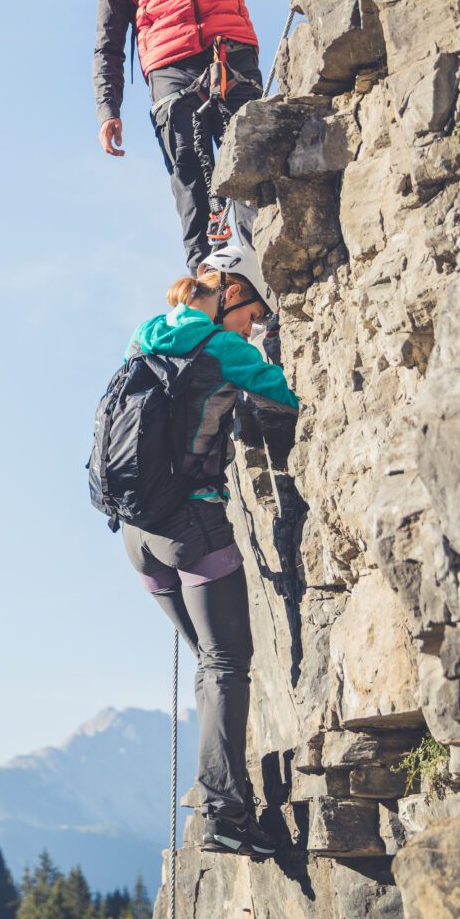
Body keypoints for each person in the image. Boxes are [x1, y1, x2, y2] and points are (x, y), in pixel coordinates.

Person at [120, 248, 299, 858]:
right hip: (191, 521)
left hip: (137, 537)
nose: (255, 325)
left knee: (210, 664)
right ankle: (225, 808)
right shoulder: (223, 348)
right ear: (228, 295)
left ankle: (228, 794)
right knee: (225, 663)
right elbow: (286, 398)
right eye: (253, 312)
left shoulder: (142, 342)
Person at [92, 0, 311, 271]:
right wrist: (108, 109)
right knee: (192, 183)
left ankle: (263, 276)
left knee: (250, 169)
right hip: (171, 76)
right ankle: (206, 286)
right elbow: (108, 43)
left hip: (230, 57)